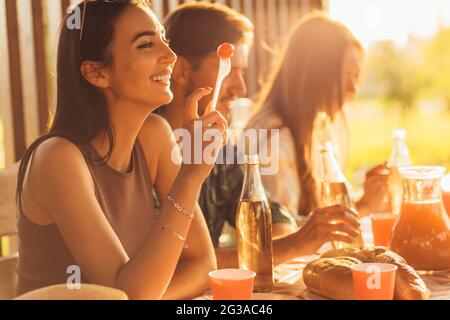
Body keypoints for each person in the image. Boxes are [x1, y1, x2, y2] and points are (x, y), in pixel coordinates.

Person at [15, 0, 225, 300]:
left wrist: (146, 296)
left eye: (164, 40)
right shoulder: (58, 158)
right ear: (96, 73)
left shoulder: (154, 136)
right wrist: (190, 177)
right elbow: (128, 294)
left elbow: (203, 265)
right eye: (146, 45)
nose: (170, 55)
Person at [156, 2, 361, 269]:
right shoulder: (146, 148)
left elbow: (276, 221)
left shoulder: (220, 150)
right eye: (229, 71)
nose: (240, 88)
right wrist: (295, 244)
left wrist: (286, 239)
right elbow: (169, 265)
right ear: (182, 71)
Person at [247, 13, 390, 218]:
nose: (354, 88)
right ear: (316, 76)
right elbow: (282, 237)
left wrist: (365, 199)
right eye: (346, 75)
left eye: (356, 75)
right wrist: (363, 207)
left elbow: (314, 216)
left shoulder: (317, 128)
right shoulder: (277, 143)